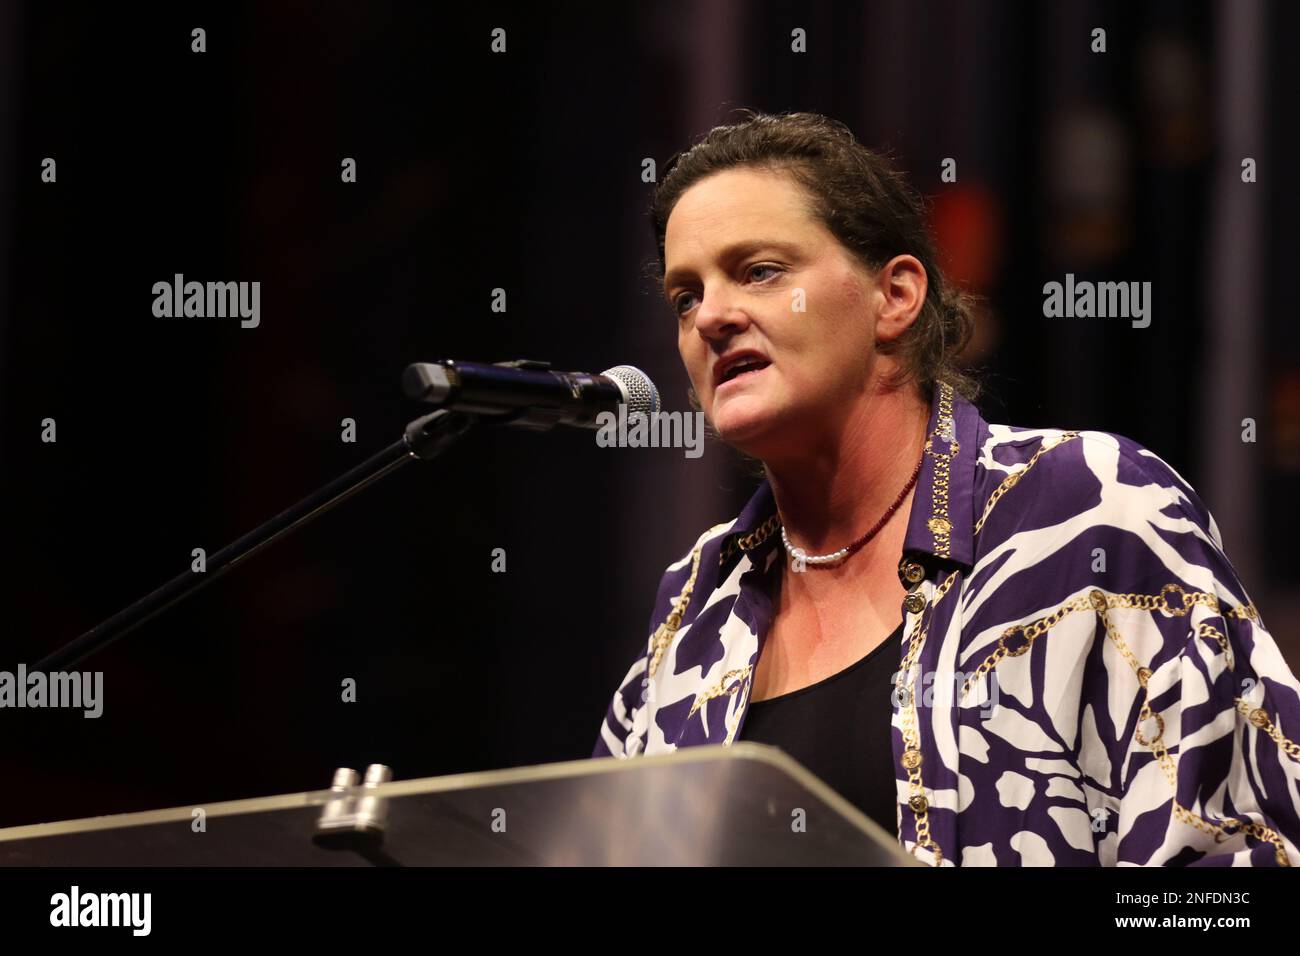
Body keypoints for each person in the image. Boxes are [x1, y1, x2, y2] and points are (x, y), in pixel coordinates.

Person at [590, 110, 1300, 867]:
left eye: (760, 272)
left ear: (893, 296)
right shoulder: (697, 600)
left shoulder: (1094, 509)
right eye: (685, 297)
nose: (714, 318)